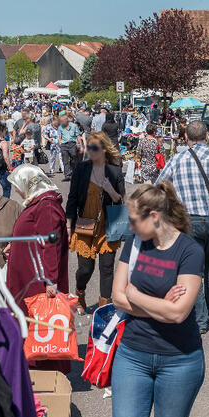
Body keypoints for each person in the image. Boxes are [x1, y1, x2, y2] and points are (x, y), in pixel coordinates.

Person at [110, 182, 205, 417]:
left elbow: (177, 313)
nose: (130, 227)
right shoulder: (135, 244)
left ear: (154, 216)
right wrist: (160, 305)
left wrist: (136, 295)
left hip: (180, 361)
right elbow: (117, 297)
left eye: (133, 220)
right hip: (132, 355)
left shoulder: (190, 251)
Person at [156, 120, 209, 333]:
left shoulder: (177, 160)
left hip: (188, 221)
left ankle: (200, 318)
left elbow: (159, 187)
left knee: (191, 271)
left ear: (186, 138)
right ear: (207, 136)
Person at [65, 132, 125, 313]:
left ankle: (104, 307)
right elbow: (72, 199)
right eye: (89, 147)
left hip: (107, 226)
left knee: (107, 268)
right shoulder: (81, 170)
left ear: (104, 149)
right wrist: (68, 226)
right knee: (85, 268)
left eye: (95, 147)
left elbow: (121, 200)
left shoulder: (114, 171)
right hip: (84, 225)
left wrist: (110, 190)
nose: (90, 150)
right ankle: (79, 291)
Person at [6, 164, 69, 303]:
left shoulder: (47, 206)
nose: (16, 190)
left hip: (37, 278)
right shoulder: (39, 202)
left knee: (37, 317)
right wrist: (16, 243)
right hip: (29, 270)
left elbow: (51, 244)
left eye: (18, 185)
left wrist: (51, 280)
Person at [58, 112, 82, 181]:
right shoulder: (60, 127)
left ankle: (74, 173)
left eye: (63, 121)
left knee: (74, 158)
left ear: (67, 120)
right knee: (65, 160)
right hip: (64, 145)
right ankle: (67, 175)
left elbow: (78, 136)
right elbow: (59, 136)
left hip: (72, 144)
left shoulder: (74, 126)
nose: (62, 123)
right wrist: (60, 143)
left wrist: (81, 145)